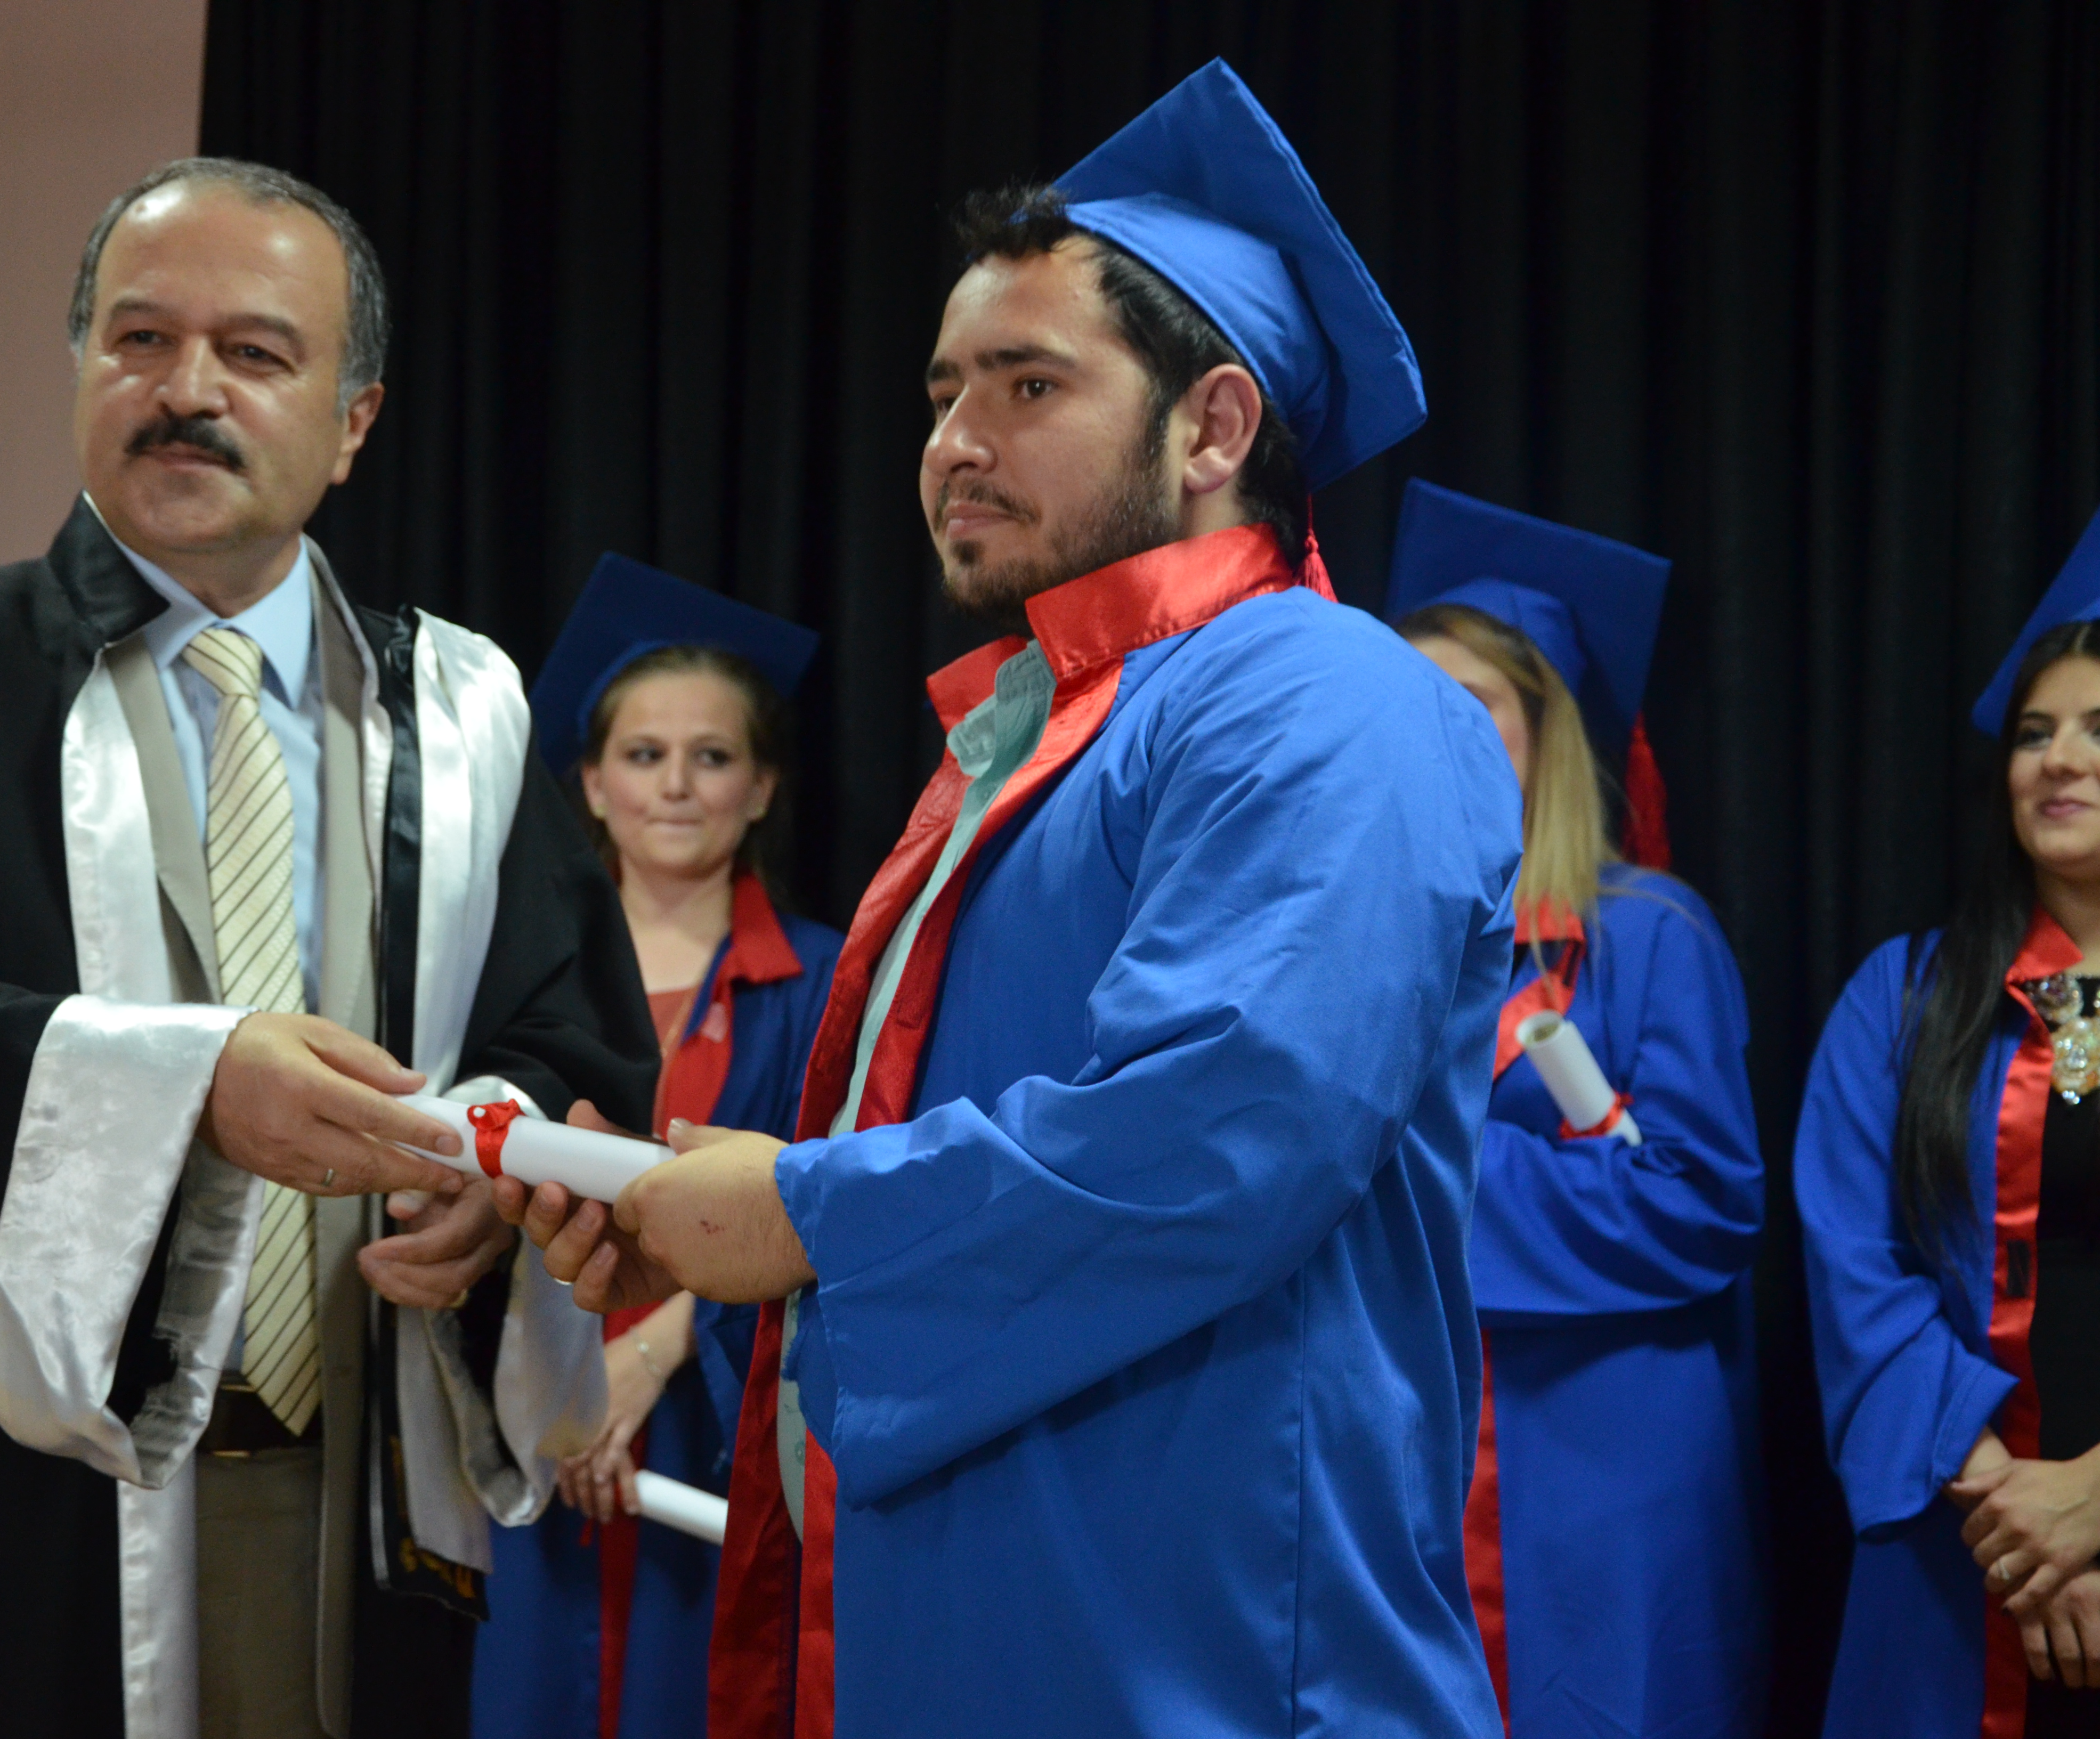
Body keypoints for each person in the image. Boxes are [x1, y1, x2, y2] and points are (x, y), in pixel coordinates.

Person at [500, 60, 1521, 1736]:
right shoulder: (1036, 731)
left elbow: (1227, 1126)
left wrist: (803, 1215)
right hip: (993, 1618)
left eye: (1029, 384)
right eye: (942, 391)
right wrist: (698, 1224)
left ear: (1214, 427)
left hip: (1206, 1651)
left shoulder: (1321, 693)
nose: (953, 444)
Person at [0, 158, 658, 1739]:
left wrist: (490, 1175)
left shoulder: (460, 714)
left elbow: (568, 1031)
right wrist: (192, 1087)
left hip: (356, 1485)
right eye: (139, 340)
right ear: (81, 368)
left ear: (353, 421)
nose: (186, 392)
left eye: (256, 353)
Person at [1388, 480, 1769, 1736]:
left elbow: (1701, 1203)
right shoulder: (1363, 955)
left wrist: (1405, 1174)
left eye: (1471, 704)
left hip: (1603, 1469)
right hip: (1403, 1458)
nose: (1432, 733)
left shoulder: (1649, 936)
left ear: (1545, 736)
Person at [473, 555, 841, 1739]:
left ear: (762, 786)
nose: (677, 786)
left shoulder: (830, 983)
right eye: (643, 755)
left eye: (713, 756)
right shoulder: (516, 984)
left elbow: (826, 1201)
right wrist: (567, 1388)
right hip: (532, 1410)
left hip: (722, 1416)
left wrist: (642, 1362)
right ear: (591, 784)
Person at [1799, 505, 2100, 1737]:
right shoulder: (1906, 996)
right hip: (1959, 1532)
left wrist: (2091, 1502)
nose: (2058, 759)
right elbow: (1853, 1264)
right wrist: (2011, 1517)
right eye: (2034, 733)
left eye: (2097, 729)